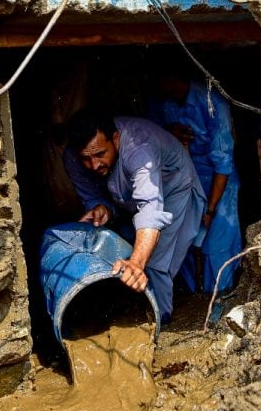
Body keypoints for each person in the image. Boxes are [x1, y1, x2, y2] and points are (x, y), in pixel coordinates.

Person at [62, 111, 206, 322]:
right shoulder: (72, 158)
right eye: (86, 158)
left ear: (116, 139)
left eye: (100, 154)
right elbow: (92, 196)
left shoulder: (140, 149)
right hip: (128, 199)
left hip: (171, 191)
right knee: (126, 246)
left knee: (155, 261)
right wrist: (102, 208)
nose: (94, 165)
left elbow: (150, 211)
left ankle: (158, 321)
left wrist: (137, 264)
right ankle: (131, 313)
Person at [151, 73, 244, 295]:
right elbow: (151, 130)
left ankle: (223, 294)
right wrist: (168, 131)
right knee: (186, 239)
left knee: (217, 240)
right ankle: (196, 295)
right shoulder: (161, 101)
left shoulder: (212, 102)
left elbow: (223, 163)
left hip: (219, 182)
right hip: (184, 179)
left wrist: (210, 208)